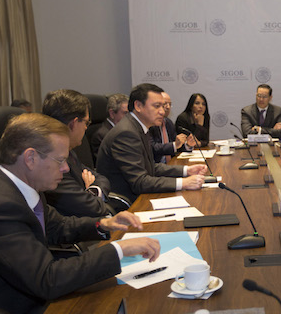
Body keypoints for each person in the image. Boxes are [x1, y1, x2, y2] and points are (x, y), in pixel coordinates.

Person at [0, 113, 160, 314]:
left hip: (28, 298)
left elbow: (56, 225)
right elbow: (47, 279)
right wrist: (118, 249)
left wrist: (103, 225)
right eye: (60, 160)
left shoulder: (13, 184)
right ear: (30, 158)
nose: (66, 169)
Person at [96, 83, 207, 203]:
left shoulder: (138, 127)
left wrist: (186, 170)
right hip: (128, 203)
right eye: (157, 106)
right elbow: (140, 182)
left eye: (163, 106)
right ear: (138, 106)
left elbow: (150, 167)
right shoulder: (126, 133)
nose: (162, 111)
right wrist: (184, 183)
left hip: (140, 196)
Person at [42, 89, 112, 217]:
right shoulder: (50, 163)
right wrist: (91, 192)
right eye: (86, 122)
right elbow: (92, 207)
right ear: (73, 124)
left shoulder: (69, 151)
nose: (86, 128)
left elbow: (101, 178)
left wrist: (92, 190)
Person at [148, 91, 194, 163]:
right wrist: (175, 145)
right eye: (165, 104)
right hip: (156, 167)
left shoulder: (168, 122)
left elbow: (176, 146)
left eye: (170, 104)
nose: (168, 107)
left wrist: (187, 145)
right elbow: (152, 147)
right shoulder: (150, 123)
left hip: (170, 164)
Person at [91, 93, 128, 159]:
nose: (129, 117)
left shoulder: (127, 130)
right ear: (112, 113)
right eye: (125, 113)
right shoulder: (101, 136)